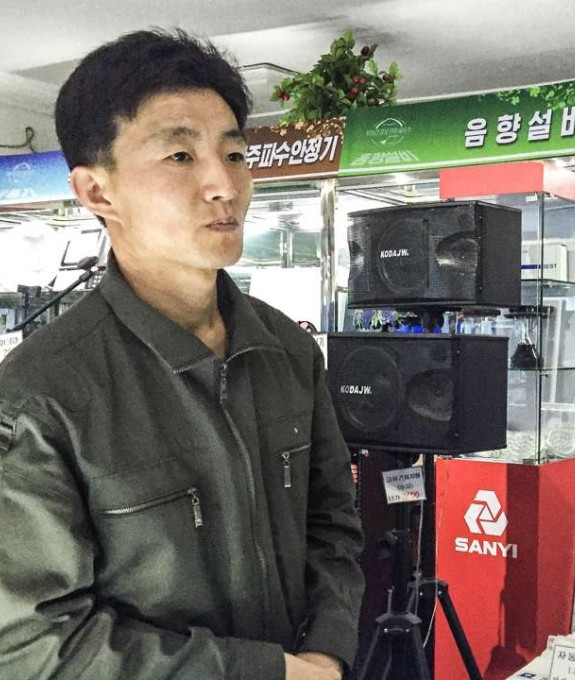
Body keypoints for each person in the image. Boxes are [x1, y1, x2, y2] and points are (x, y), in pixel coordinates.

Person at [0, 30, 364, 680]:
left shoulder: (289, 351)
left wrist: (329, 651)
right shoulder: (39, 396)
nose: (223, 183)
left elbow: (333, 525)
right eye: (179, 155)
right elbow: (33, 642)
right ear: (97, 192)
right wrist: (266, 673)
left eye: (234, 153)